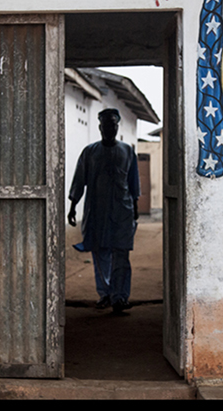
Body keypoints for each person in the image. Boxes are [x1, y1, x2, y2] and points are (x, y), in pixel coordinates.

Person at [68, 108, 140, 315]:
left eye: (114, 125)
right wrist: (73, 206)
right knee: (100, 254)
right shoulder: (90, 152)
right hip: (97, 211)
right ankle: (105, 294)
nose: (110, 128)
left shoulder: (127, 151)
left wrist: (134, 209)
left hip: (122, 211)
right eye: (106, 125)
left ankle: (120, 297)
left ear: (117, 127)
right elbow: (79, 180)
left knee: (121, 254)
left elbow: (133, 182)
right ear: (100, 127)